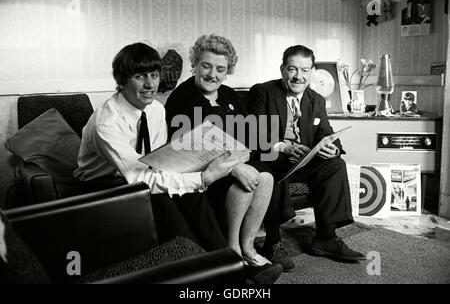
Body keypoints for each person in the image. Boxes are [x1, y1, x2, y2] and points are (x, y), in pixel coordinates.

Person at [74, 42, 239, 254]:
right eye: (139, 76)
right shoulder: (106, 123)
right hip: (101, 188)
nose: (150, 84)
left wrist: (195, 179)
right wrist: (204, 178)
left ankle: (228, 262)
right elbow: (140, 179)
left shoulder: (156, 110)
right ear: (122, 81)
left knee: (191, 194)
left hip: (139, 177)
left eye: (154, 75)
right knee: (164, 199)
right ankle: (195, 266)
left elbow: (161, 163)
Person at [164, 34, 285, 281]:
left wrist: (242, 161)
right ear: (195, 64)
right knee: (243, 181)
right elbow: (191, 151)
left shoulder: (229, 96)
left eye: (221, 69)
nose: (212, 74)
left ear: (227, 71)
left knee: (265, 175)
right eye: (206, 66)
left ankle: (249, 246)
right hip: (199, 172)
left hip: (230, 161)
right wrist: (234, 168)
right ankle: (233, 251)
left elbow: (245, 139)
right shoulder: (181, 98)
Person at [247, 45, 366, 263]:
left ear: (312, 71)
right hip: (274, 159)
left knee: (335, 164)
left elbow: (326, 132)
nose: (298, 76)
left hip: (303, 164)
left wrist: (333, 148)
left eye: (304, 70)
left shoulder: (316, 100)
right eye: (292, 69)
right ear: (283, 68)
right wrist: (283, 147)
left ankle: (326, 238)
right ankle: (273, 243)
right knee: (272, 162)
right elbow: (256, 135)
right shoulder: (262, 92)